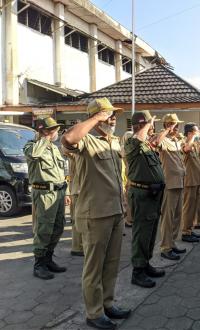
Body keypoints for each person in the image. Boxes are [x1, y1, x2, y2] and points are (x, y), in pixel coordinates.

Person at [62, 98, 130, 330]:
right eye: (108, 114)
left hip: (115, 212)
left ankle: (107, 304)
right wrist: (94, 118)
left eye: (113, 114)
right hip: (95, 215)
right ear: (96, 116)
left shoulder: (112, 143)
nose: (113, 117)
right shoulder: (86, 141)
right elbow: (68, 139)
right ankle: (94, 313)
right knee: (94, 267)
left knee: (111, 264)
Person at [124, 110, 166, 288]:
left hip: (153, 195)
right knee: (141, 234)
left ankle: (146, 263)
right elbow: (137, 139)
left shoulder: (146, 145)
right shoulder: (131, 142)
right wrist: (147, 123)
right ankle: (138, 272)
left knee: (150, 232)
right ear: (141, 125)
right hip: (141, 196)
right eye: (149, 124)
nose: (152, 127)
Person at [24, 117, 67, 280]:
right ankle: (39, 264)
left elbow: (62, 170)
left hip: (59, 192)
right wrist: (45, 138)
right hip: (43, 194)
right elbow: (34, 154)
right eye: (54, 130)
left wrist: (66, 193)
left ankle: (48, 259)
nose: (57, 132)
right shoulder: (31, 145)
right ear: (44, 131)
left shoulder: (53, 148)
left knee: (58, 227)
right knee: (44, 229)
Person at [155, 113, 187, 261]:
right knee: (168, 217)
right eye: (174, 124)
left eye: (177, 125)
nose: (177, 127)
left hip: (179, 182)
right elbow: (156, 143)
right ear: (167, 125)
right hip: (170, 184)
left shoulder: (175, 141)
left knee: (176, 216)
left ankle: (172, 243)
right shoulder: (163, 139)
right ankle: (165, 247)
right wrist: (167, 130)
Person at [181, 123, 200, 243]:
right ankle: (185, 232)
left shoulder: (194, 144)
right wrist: (192, 137)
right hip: (189, 181)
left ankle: (189, 229)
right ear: (189, 133)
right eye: (196, 132)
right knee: (188, 207)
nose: (198, 133)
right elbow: (186, 149)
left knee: (193, 207)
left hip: (195, 180)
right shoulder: (185, 143)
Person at [64, 150, 84, 257]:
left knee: (78, 219)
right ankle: (78, 247)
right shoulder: (74, 153)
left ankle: (79, 246)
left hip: (77, 189)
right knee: (78, 220)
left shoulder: (74, 153)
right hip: (78, 190)